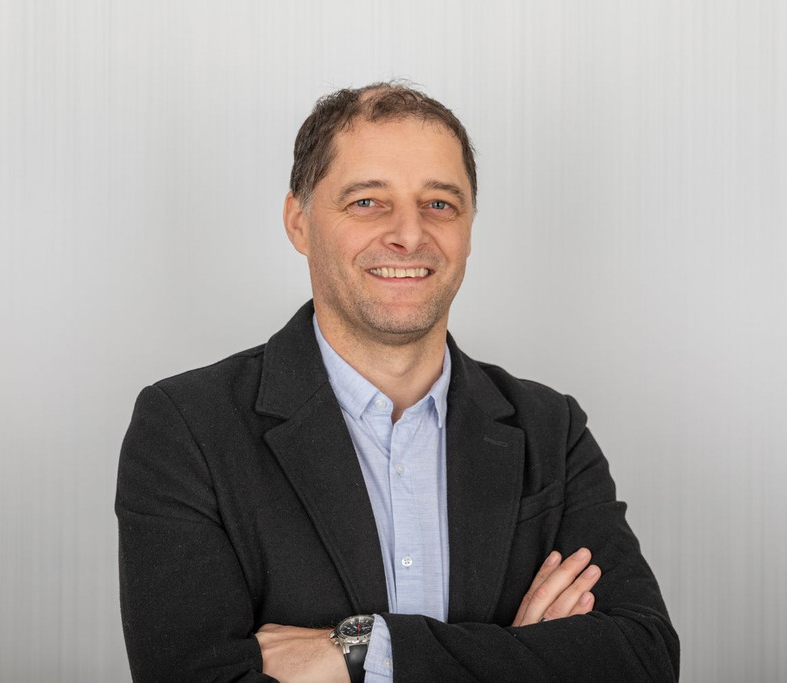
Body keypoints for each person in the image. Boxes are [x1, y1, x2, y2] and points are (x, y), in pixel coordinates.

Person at [116, 82, 679, 682]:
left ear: (469, 229)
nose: (409, 235)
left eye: (439, 203)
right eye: (367, 202)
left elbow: (642, 659)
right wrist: (519, 657)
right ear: (299, 223)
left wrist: (365, 650)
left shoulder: (551, 429)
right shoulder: (187, 429)